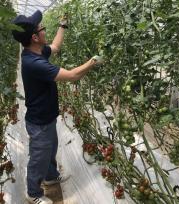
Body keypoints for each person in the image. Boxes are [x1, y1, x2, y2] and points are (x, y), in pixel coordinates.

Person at [12, 10, 103, 204]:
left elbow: (55, 46)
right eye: (42, 28)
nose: (45, 30)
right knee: (39, 158)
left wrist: (63, 25)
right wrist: (93, 61)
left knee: (50, 150)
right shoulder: (33, 62)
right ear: (35, 37)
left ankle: (51, 177)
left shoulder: (37, 51)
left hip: (47, 117)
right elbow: (72, 76)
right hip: (39, 122)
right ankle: (33, 193)